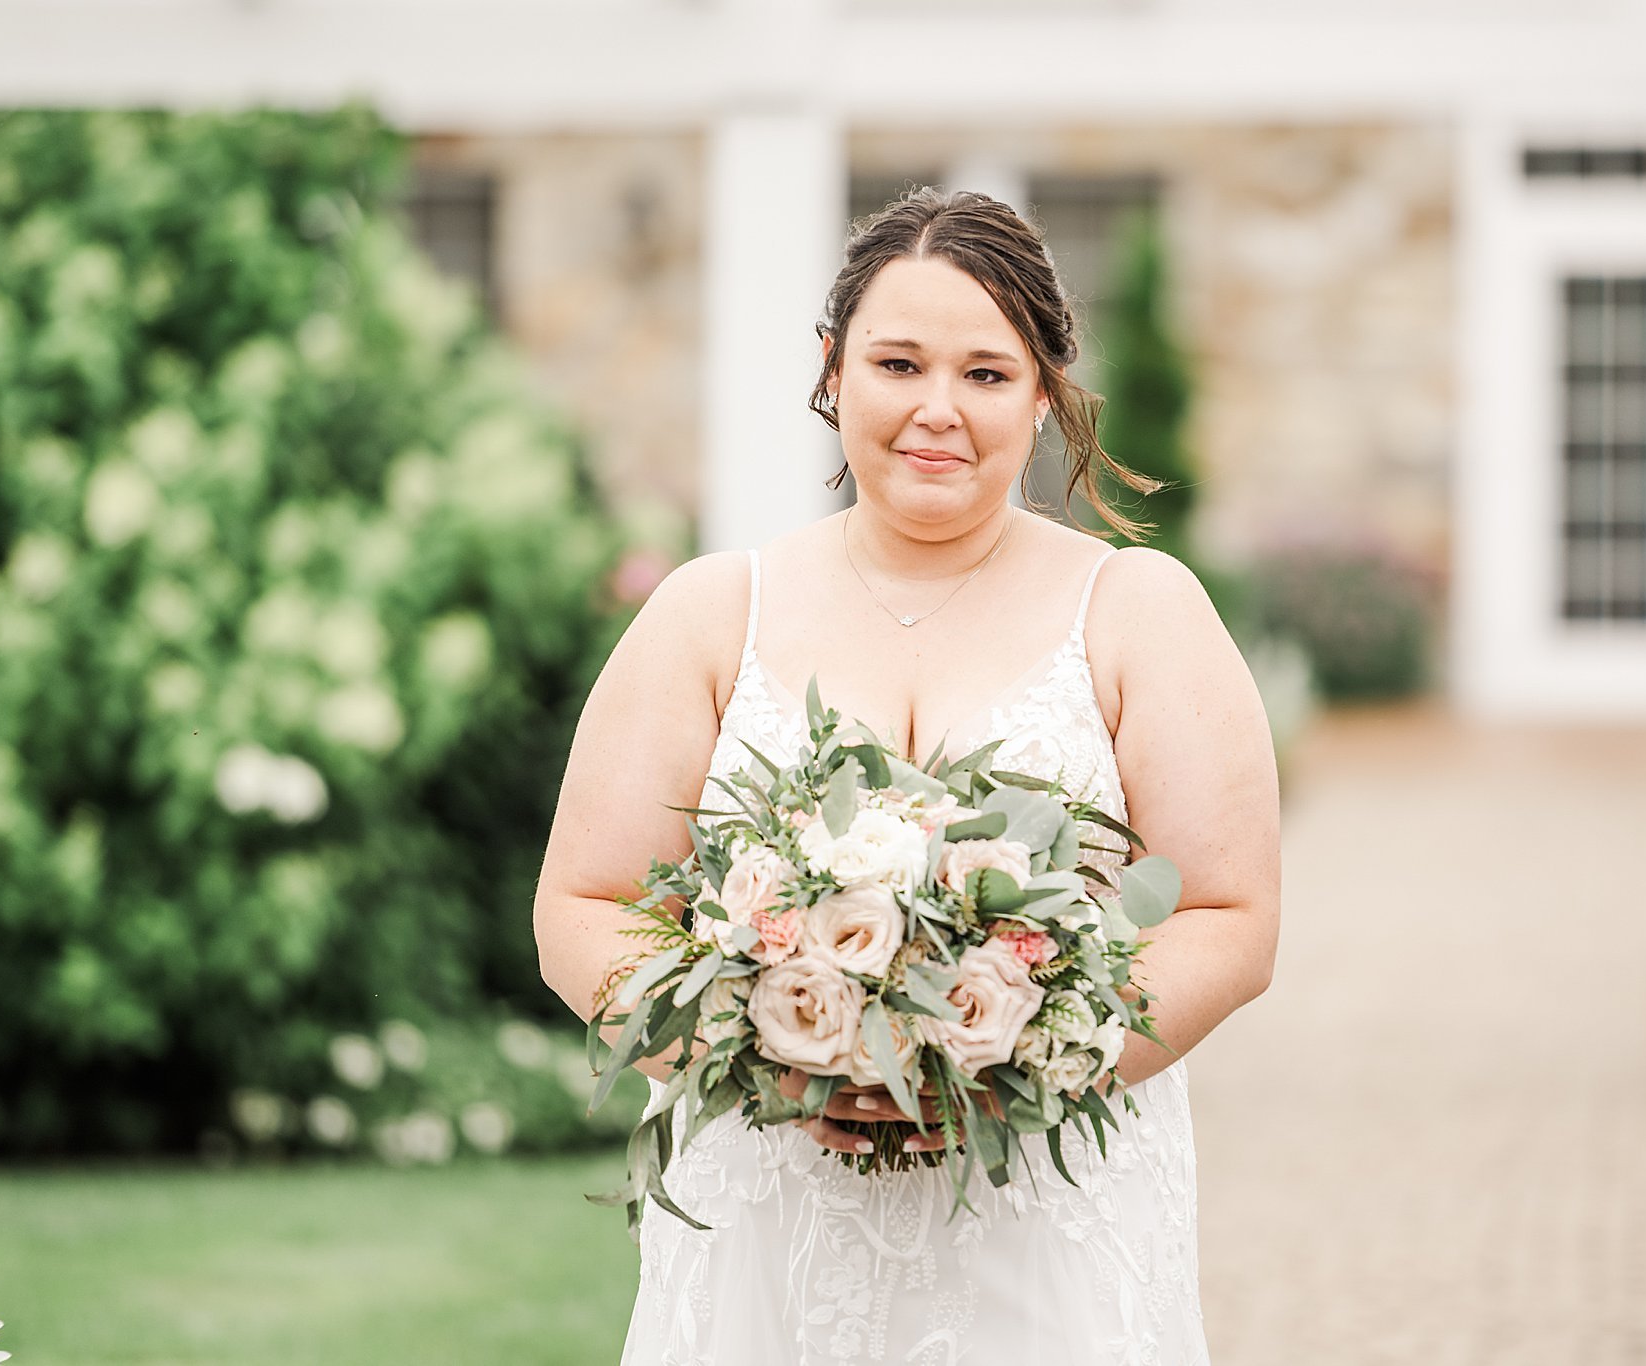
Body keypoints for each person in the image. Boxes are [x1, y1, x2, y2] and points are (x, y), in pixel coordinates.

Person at [535, 187, 1281, 1365]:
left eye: (986, 374)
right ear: (832, 371)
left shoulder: (1140, 613)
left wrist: (1020, 1060)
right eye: (897, 362)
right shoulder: (709, 614)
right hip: (769, 1227)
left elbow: (1228, 917)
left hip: (1046, 1223)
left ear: (1043, 395)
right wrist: (769, 1049)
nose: (939, 409)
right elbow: (580, 907)